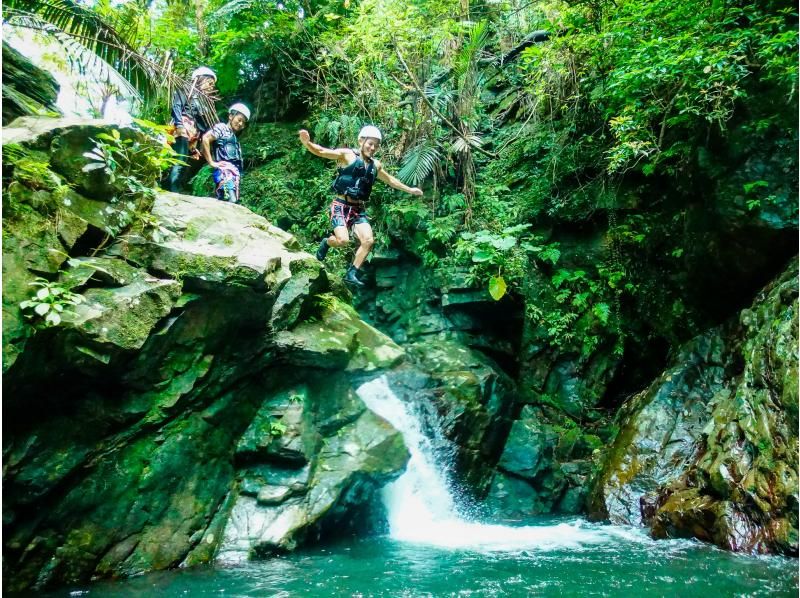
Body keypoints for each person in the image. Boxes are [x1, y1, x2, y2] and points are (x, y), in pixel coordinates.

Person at [298, 125, 423, 287]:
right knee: (342, 240)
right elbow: (322, 151)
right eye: (370, 144)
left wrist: (410, 190)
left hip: (358, 209)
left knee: (368, 240)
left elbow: (391, 180)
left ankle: (351, 273)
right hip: (341, 206)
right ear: (361, 141)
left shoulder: (375, 165)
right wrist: (307, 143)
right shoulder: (347, 155)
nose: (373, 148)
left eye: (376, 146)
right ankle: (327, 242)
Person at [167, 66, 219, 192]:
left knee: (183, 163)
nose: (211, 87)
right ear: (200, 79)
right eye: (209, 83)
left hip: (192, 136)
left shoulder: (202, 101)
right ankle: (173, 190)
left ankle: (173, 187)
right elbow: (177, 107)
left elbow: (203, 125)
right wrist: (179, 125)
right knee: (179, 161)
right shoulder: (186, 90)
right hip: (182, 130)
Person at [201, 103, 250, 203]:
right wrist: (211, 162)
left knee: (226, 199)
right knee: (231, 199)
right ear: (231, 116)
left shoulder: (234, 137)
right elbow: (205, 138)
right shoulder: (222, 128)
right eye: (239, 120)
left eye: (243, 123)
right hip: (224, 172)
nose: (241, 124)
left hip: (233, 173)